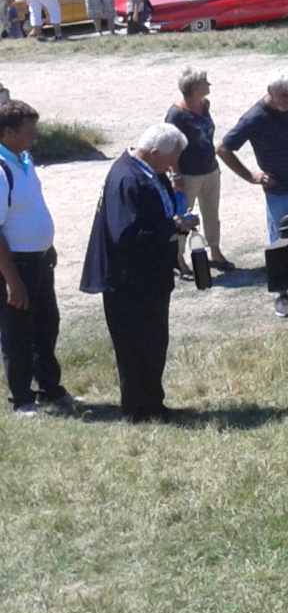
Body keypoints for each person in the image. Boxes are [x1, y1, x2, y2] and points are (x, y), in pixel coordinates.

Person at [81, 122, 197, 421]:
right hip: (129, 283)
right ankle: (138, 411)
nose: (175, 165)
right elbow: (125, 236)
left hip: (151, 277)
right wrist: (172, 226)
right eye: (172, 158)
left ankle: (153, 405)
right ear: (155, 152)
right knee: (135, 348)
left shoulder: (151, 173)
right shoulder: (127, 179)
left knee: (154, 343)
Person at [216, 69, 288, 319]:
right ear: (271, 92)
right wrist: (251, 176)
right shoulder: (254, 117)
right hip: (279, 189)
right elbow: (223, 148)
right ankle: (281, 293)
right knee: (281, 240)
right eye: (284, 96)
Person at [0, 100, 73, 417]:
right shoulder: (1, 170)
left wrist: (47, 244)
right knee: (18, 332)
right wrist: (12, 281)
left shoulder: (24, 159)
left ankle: (50, 390)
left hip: (39, 260)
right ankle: (22, 399)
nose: (35, 135)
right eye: (29, 130)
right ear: (7, 132)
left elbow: (32, 207)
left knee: (47, 325)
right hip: (15, 265)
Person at [166, 68, 232, 276]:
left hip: (210, 169)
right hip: (187, 174)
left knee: (212, 213)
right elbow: (170, 144)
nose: (209, 85)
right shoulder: (176, 113)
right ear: (195, 88)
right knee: (184, 219)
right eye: (205, 82)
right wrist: (176, 175)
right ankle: (178, 259)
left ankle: (215, 251)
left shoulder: (204, 105)